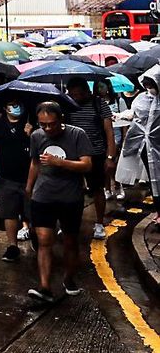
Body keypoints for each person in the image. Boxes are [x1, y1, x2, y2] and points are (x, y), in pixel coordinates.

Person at [26, 101, 93, 303]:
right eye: (43, 124)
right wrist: (29, 187)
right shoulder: (37, 136)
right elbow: (35, 162)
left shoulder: (77, 134)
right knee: (44, 240)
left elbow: (87, 165)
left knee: (70, 240)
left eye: (51, 124)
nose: (47, 128)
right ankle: (44, 286)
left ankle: (69, 278)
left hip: (70, 198)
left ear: (61, 119)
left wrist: (60, 162)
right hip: (43, 196)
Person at [65, 77, 116, 240]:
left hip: (96, 154)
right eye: (73, 95)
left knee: (97, 189)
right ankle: (70, 223)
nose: (76, 98)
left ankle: (100, 223)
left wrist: (110, 157)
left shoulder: (99, 104)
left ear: (87, 91)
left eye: (79, 94)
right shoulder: (67, 105)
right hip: (74, 155)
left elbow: (109, 132)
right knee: (72, 190)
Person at [0, 98, 32, 263]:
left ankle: (34, 236)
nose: (17, 106)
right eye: (12, 104)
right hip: (6, 177)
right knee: (9, 213)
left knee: (31, 210)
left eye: (18, 103)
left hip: (29, 177)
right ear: (5, 107)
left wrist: (32, 135)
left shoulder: (30, 122)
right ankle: (12, 246)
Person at [118, 67, 160, 221]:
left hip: (158, 144)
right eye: (147, 85)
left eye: (152, 85)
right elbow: (133, 113)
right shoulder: (141, 98)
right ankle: (158, 209)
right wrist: (120, 116)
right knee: (153, 178)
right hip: (146, 146)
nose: (149, 88)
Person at [96, 80, 128, 200]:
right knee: (104, 164)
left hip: (117, 134)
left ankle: (118, 186)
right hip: (101, 136)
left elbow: (125, 121)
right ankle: (107, 188)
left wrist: (125, 136)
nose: (100, 89)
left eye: (102, 87)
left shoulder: (119, 101)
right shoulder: (96, 103)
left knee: (114, 163)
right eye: (98, 87)